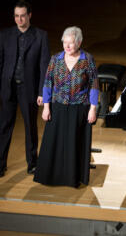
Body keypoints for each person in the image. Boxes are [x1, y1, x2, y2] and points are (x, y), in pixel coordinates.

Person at [0, 0, 50, 177]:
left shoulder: (41, 36)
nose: (19, 20)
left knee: (30, 127)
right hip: (8, 88)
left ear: (30, 15)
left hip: (28, 89)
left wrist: (42, 92)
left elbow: (44, 67)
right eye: (16, 16)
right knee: (4, 125)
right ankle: (0, 164)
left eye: (23, 16)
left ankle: (32, 163)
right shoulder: (5, 34)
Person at [34, 26, 98, 187]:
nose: (67, 47)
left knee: (74, 143)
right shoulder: (55, 59)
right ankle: (51, 177)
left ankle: (72, 178)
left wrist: (93, 108)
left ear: (79, 42)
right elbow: (47, 83)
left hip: (79, 107)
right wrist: (46, 107)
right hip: (58, 106)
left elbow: (94, 85)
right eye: (65, 43)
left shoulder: (87, 59)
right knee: (54, 142)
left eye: (71, 43)